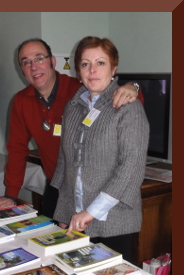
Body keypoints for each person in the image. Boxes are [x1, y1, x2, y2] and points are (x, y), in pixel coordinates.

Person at [0, 38, 141, 218]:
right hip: (58, 188)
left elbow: (125, 99)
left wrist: (133, 87)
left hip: (97, 191)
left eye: (39, 58)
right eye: (26, 62)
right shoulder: (21, 101)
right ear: (22, 70)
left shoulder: (80, 89)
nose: (34, 66)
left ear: (52, 61)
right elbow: (16, 149)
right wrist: (11, 194)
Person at [51, 36, 149, 262]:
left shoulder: (128, 108)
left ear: (113, 68)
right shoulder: (74, 106)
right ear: (78, 70)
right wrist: (64, 212)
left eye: (100, 63)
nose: (92, 70)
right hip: (75, 220)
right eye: (85, 64)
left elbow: (131, 169)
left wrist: (90, 212)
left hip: (113, 223)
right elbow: (66, 160)